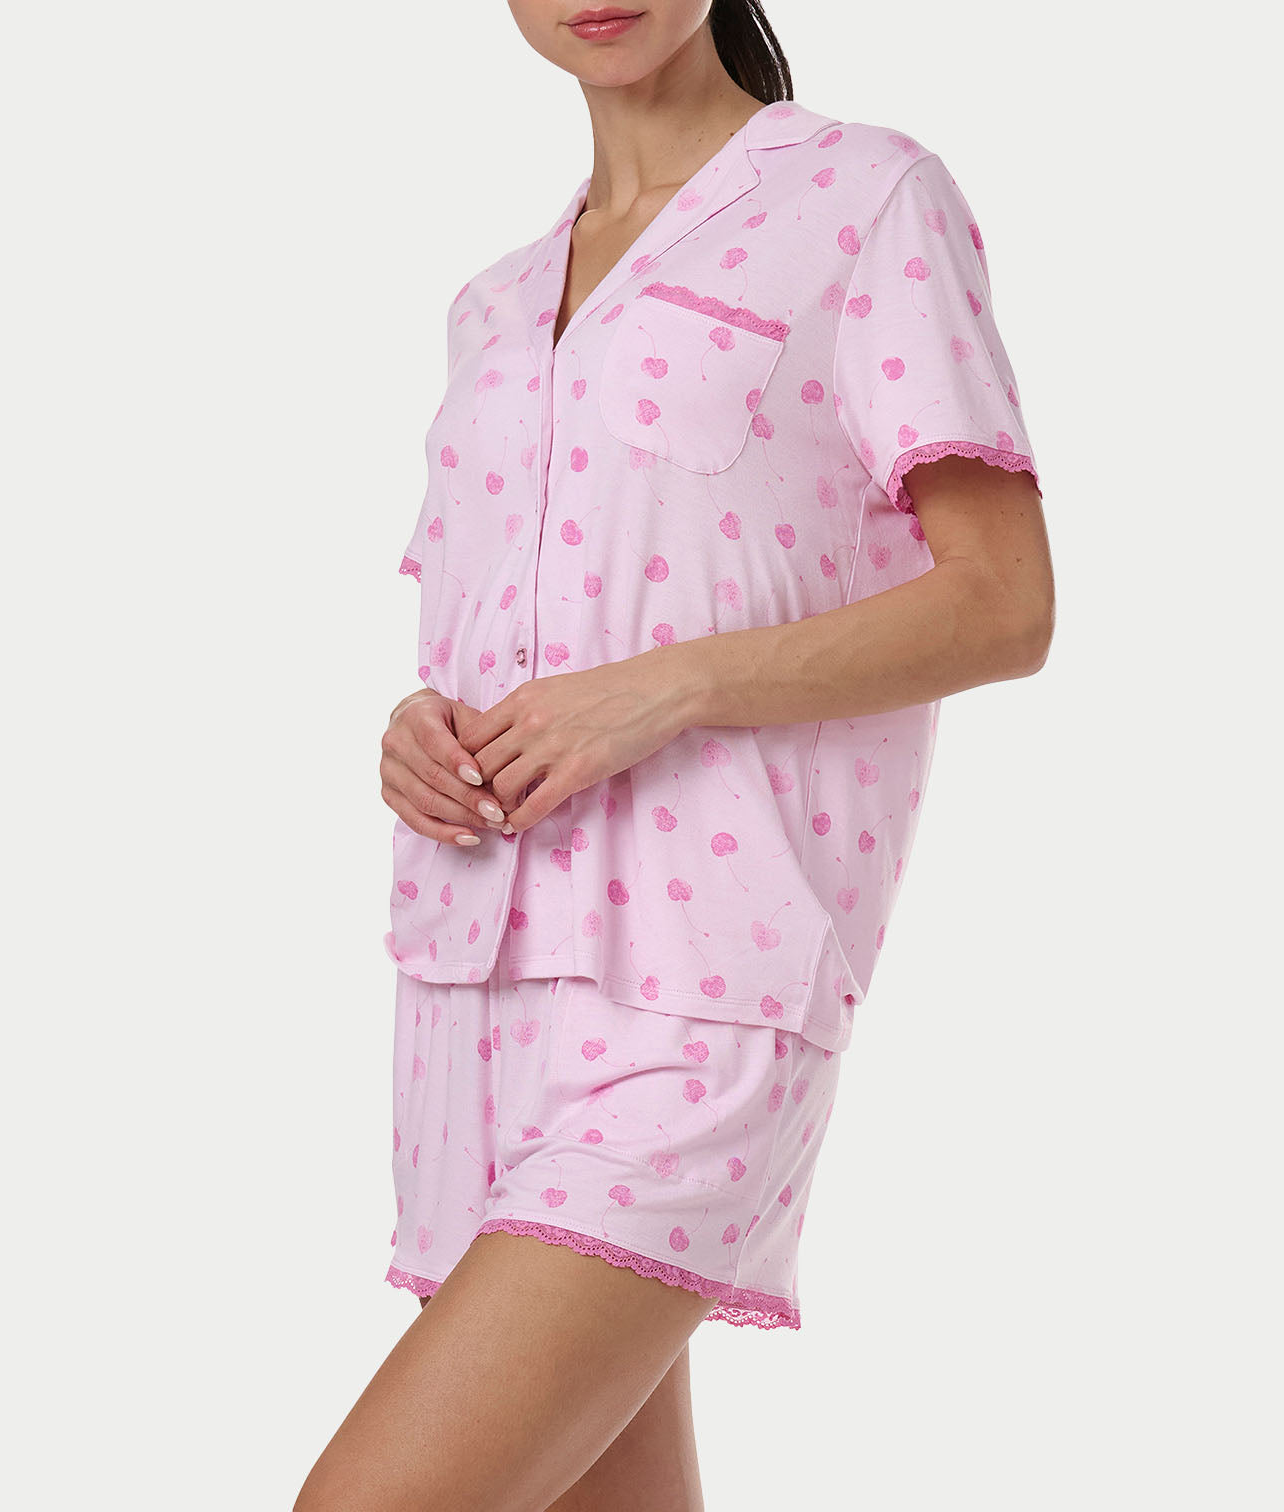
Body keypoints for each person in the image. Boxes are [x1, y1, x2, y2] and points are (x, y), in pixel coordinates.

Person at [294, 2, 1055, 1508]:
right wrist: (414, 733)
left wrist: (669, 690)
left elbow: (1003, 604)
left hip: (707, 989)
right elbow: (503, 637)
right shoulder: (494, 303)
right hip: (475, 991)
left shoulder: (863, 197)